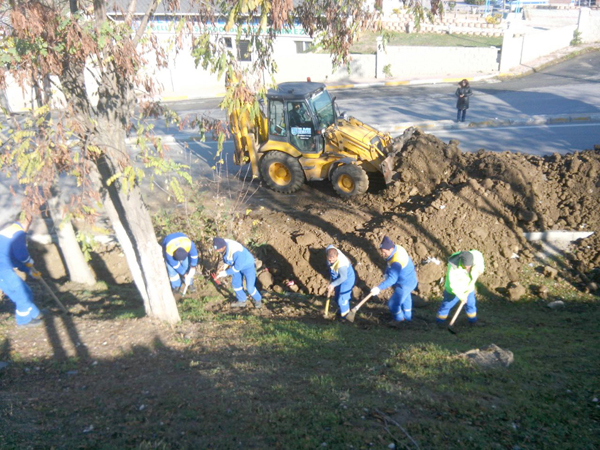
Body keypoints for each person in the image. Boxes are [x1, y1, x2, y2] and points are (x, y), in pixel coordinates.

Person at [0, 213, 43, 327]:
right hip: (2, 270)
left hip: (4, 267)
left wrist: (29, 271)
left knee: (25, 291)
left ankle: (34, 313)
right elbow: (21, 255)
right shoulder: (18, 232)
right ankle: (23, 320)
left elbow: (12, 257)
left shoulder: (10, 231)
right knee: (20, 293)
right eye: (30, 221)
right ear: (27, 220)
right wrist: (30, 262)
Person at [370, 236, 418, 326]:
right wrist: (386, 273)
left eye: (384, 252)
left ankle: (399, 319)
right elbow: (389, 263)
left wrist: (379, 288)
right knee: (406, 298)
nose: (383, 254)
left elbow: (392, 279)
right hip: (409, 280)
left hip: (405, 284)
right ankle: (408, 318)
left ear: (391, 249)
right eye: (382, 252)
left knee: (393, 303)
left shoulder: (397, 261)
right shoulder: (397, 249)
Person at [436, 250, 485, 325]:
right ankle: (439, 322)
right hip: (453, 290)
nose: (468, 268)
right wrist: (462, 296)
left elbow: (479, 260)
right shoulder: (453, 267)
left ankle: (473, 321)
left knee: (471, 304)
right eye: (465, 267)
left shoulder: (475, 255)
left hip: (469, 287)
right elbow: (453, 285)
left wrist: (479, 270)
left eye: (469, 266)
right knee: (447, 305)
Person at [213, 237, 262, 309]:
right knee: (236, 284)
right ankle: (241, 300)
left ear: (223, 246)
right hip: (235, 264)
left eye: (218, 249)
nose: (217, 251)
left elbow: (236, 268)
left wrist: (223, 273)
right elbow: (227, 259)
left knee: (249, 287)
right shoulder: (223, 246)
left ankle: (258, 299)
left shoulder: (237, 252)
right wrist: (223, 268)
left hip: (247, 266)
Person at [325, 245, 356, 319]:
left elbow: (343, 277)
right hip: (338, 276)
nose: (331, 262)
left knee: (342, 300)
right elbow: (330, 246)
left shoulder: (342, 263)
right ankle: (340, 312)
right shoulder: (329, 250)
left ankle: (346, 318)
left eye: (333, 260)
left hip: (347, 279)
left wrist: (333, 284)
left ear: (337, 256)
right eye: (329, 260)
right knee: (336, 298)